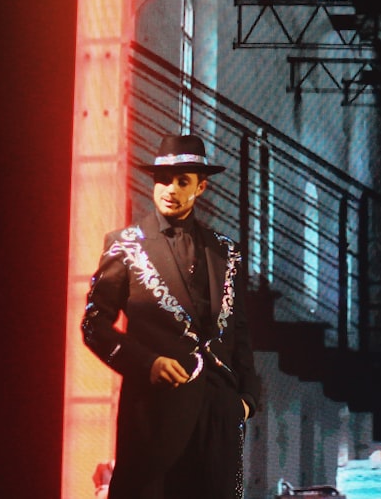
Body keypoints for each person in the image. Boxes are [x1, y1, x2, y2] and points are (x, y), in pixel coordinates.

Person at [82, 134, 262, 499]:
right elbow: (94, 325)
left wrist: (246, 400)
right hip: (154, 415)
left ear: (201, 186)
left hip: (219, 418)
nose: (171, 189)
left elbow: (239, 331)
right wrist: (146, 362)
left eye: (183, 181)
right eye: (164, 179)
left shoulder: (226, 252)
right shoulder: (126, 245)